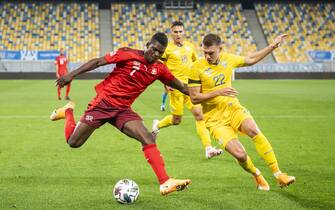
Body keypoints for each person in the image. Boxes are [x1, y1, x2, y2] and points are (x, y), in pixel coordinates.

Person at [49, 32, 238, 196]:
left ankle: (165, 182)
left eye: (160, 53)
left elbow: (182, 87)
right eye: (153, 49)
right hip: (103, 104)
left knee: (147, 137)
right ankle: (68, 112)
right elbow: (98, 62)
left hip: (122, 110)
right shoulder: (127, 53)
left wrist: (213, 89)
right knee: (74, 143)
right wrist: (71, 74)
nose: (155, 54)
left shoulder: (159, 69)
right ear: (147, 45)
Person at [188, 33, 295, 191]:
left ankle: (279, 174)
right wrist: (218, 92)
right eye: (204, 52)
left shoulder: (228, 59)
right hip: (214, 119)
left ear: (220, 49)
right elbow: (194, 98)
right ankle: (256, 174)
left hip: (232, 108)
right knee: (240, 155)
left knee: (253, 130)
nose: (207, 56)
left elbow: (250, 59)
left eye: (211, 52)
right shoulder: (197, 67)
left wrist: (273, 46)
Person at [152, 21, 223, 159]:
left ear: (184, 32)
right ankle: (158, 125)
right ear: (171, 33)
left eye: (180, 31)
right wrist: (165, 83)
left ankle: (208, 148)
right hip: (176, 88)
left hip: (191, 88)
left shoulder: (190, 47)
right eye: (175, 32)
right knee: (177, 120)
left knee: (199, 115)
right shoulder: (167, 49)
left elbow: (197, 64)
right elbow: (158, 65)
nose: (178, 34)